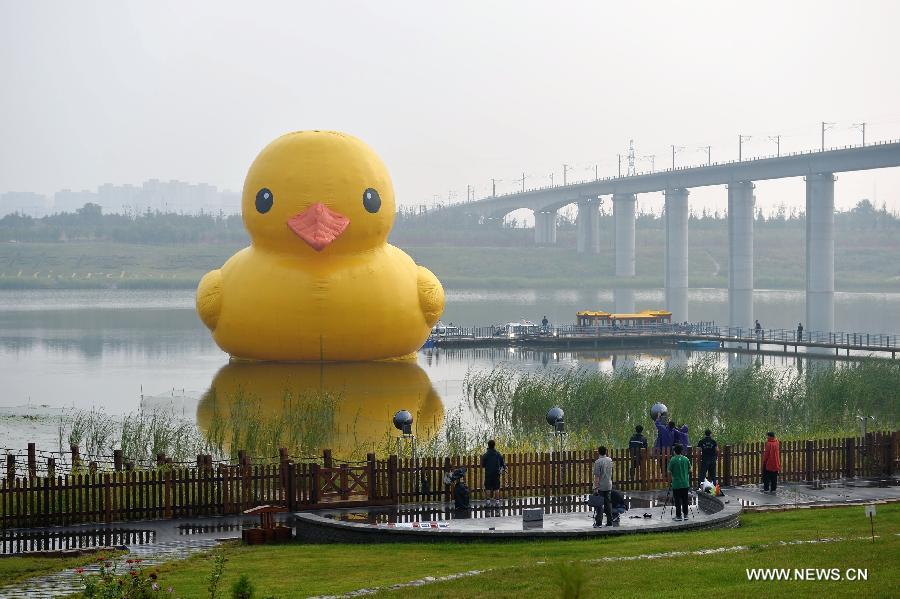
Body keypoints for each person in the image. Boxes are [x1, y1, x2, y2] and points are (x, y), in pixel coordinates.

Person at [666, 444, 691, 521]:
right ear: (681, 451)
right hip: (685, 483)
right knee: (685, 500)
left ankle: (678, 516)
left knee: (677, 500)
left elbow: (669, 472)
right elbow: (690, 470)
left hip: (676, 484)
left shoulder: (673, 460)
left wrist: (670, 481)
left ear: (674, 451)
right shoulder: (686, 459)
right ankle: (686, 515)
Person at [592, 445, 614, 527]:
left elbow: (597, 477)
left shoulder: (598, 462)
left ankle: (598, 523)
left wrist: (596, 488)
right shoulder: (610, 460)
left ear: (598, 452)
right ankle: (609, 522)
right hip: (608, 485)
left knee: (599, 505)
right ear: (606, 451)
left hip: (601, 486)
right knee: (608, 504)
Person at [481, 439, 505, 506]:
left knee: (488, 488)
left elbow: (483, 465)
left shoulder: (485, 455)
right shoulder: (498, 454)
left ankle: (488, 503)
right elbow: (502, 463)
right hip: (496, 473)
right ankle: (497, 503)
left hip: (488, 473)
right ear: (494, 445)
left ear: (488, 445)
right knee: (496, 488)